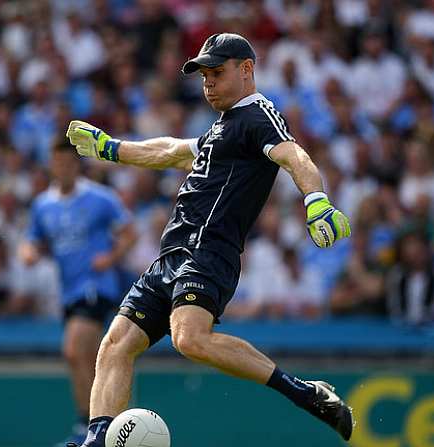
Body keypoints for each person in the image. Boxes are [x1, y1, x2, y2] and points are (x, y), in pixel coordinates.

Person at [64, 33, 354, 446]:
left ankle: (305, 393)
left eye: (217, 72)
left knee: (189, 338)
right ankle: (97, 440)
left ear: (247, 69)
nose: (208, 83)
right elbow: (173, 151)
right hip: (171, 255)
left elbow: (294, 155)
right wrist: (112, 148)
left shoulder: (258, 116)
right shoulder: (223, 127)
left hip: (209, 252)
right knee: (115, 344)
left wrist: (316, 199)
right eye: (204, 75)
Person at [19, 139, 137, 445]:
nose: (62, 168)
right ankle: (113, 423)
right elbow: (32, 239)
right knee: (91, 358)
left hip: (96, 286)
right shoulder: (42, 205)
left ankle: (87, 426)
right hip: (68, 291)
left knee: (73, 349)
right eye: (56, 163)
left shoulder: (100, 198)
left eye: (67, 162)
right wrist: (29, 252)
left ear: (76, 164)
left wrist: (110, 258)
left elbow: (129, 233)